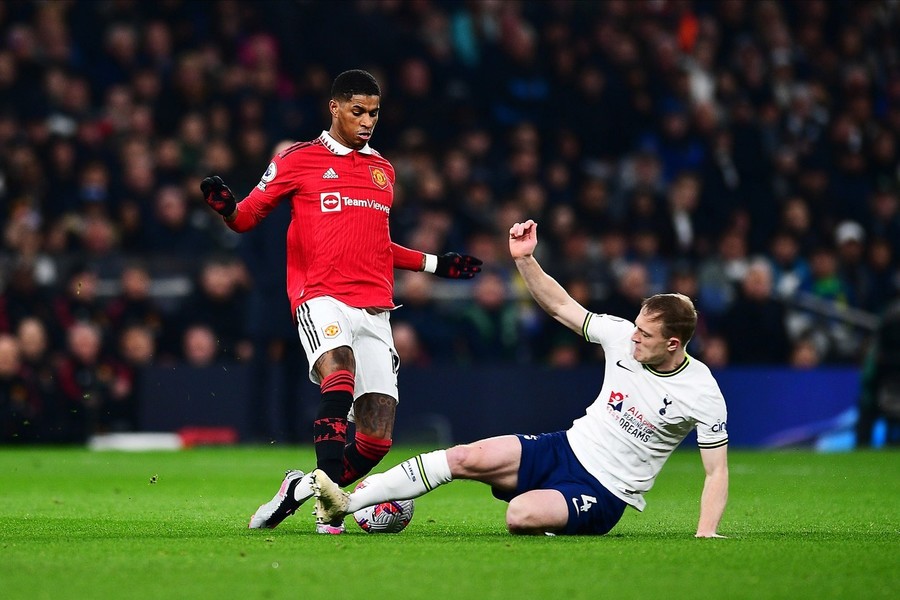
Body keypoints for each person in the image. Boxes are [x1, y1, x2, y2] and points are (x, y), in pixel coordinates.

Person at [312, 219, 729, 537]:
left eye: (646, 334)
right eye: (637, 326)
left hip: (605, 492)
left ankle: (550, 511)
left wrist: (706, 532)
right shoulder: (623, 337)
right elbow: (562, 307)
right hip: (564, 448)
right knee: (464, 457)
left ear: (674, 344)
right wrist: (525, 259)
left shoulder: (701, 391)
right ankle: (344, 504)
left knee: (520, 515)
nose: (634, 336)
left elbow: (715, 472)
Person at [200, 69, 482, 534]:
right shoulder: (298, 159)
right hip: (321, 295)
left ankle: (301, 488)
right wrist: (227, 207)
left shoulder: (384, 171)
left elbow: (377, 245)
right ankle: (330, 514)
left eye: (374, 112)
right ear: (335, 107)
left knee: (376, 437)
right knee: (339, 372)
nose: (368, 120)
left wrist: (436, 264)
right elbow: (247, 217)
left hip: (375, 305)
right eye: (358, 111)